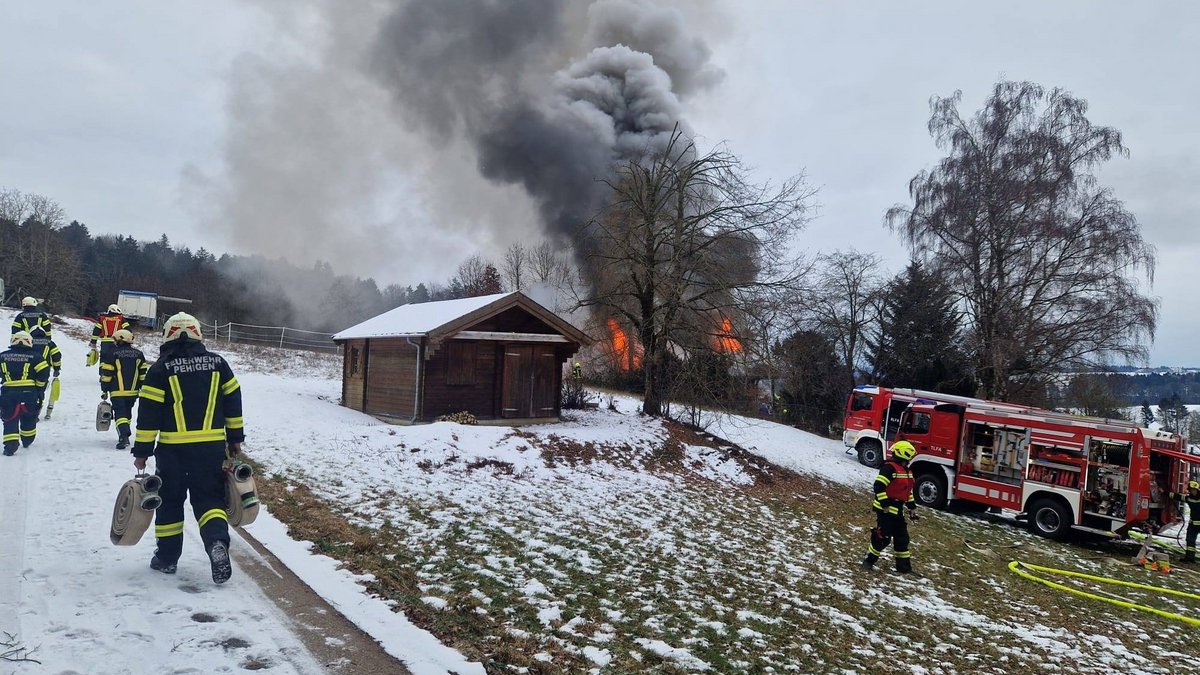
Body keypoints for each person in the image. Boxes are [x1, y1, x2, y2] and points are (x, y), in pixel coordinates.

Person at [132, 313, 244, 584]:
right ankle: (217, 543)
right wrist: (234, 439)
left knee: (170, 503)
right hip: (210, 450)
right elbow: (233, 400)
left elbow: (149, 414)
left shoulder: (160, 369)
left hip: (173, 453)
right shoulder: (219, 364)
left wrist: (142, 451)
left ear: (168, 335)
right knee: (210, 500)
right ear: (197, 334)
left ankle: (167, 559)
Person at [862, 440, 919, 574]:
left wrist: (912, 508)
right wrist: (885, 504)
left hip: (898, 510)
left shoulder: (907, 471)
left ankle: (904, 569)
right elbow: (878, 487)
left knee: (902, 538)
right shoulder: (889, 468)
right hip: (885, 511)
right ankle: (868, 561)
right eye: (910, 456)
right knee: (882, 538)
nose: (911, 459)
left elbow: (906, 492)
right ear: (903, 454)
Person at [1, 331, 50, 456]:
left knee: (9, 418)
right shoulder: (37, 357)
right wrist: (39, 390)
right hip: (29, 393)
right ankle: (27, 439)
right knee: (29, 416)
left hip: (8, 393)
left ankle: (10, 444)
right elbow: (44, 374)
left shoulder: (2, 356)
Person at [100, 329, 147, 449]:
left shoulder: (112, 354)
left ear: (119, 340)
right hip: (133, 391)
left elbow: (107, 373)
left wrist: (104, 389)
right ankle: (124, 432)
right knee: (127, 412)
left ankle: (124, 436)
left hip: (117, 390)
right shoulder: (139, 354)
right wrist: (142, 387)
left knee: (120, 412)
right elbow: (143, 374)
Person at [30, 333, 62, 414]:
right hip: (44, 370)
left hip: (29, 370)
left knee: (28, 389)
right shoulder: (49, 342)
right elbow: (56, 355)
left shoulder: (28, 341)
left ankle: (28, 410)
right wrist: (56, 369)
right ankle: (37, 410)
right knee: (40, 390)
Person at [1170, 480, 1200, 563]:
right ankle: (1190, 558)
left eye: (1194, 490)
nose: (1193, 492)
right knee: (1190, 541)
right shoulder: (1189, 498)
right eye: (1191, 490)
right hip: (1193, 524)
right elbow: (1179, 497)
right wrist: (1166, 493)